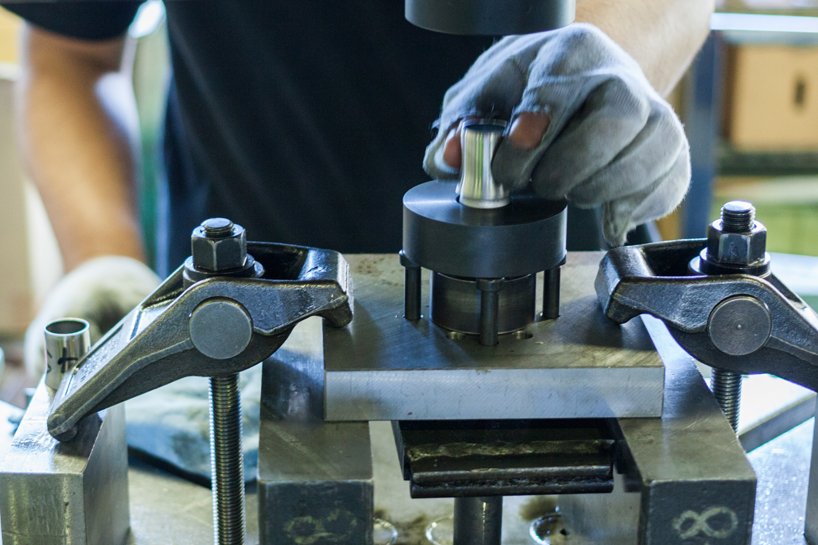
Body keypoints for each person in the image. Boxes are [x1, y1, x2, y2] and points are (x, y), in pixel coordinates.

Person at [4, 0, 713, 479]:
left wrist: (601, 65)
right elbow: (70, 54)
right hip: (252, 330)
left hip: (563, 310)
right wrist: (104, 263)